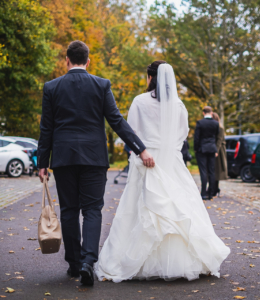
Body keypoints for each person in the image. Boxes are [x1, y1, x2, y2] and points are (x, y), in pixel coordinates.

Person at [94, 62, 230, 282]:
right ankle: (185, 260)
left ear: (150, 77)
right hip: (172, 160)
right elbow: (183, 133)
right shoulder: (179, 105)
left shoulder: (139, 101)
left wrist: (142, 150)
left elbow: (131, 131)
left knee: (143, 205)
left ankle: (138, 261)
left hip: (146, 157)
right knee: (178, 206)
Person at [37, 40, 155, 286]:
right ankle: (88, 263)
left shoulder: (52, 87)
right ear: (88, 61)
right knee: (92, 210)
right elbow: (117, 121)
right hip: (94, 158)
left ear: (66, 60)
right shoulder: (101, 85)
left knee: (69, 210)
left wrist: (42, 163)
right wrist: (140, 148)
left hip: (63, 158)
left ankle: (73, 262)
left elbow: (46, 128)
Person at [194, 106, 219, 200]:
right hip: (212, 148)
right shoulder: (216, 123)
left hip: (202, 149)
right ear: (211, 113)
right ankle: (211, 193)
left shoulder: (200, 123)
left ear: (203, 113)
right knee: (212, 171)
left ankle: (203, 193)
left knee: (203, 171)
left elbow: (197, 138)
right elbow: (216, 136)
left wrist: (196, 149)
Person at [212, 112, 228, 196]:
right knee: (214, 170)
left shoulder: (220, 128)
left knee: (217, 170)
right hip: (216, 149)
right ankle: (214, 188)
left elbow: (219, 140)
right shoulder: (217, 127)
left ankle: (215, 189)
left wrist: (216, 151)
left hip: (219, 151)